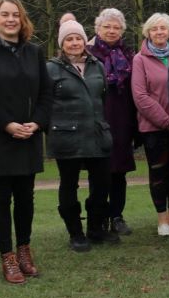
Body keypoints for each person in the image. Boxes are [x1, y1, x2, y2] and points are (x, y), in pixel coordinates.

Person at [0, 0, 52, 284]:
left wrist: (37, 123)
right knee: (1, 198)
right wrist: (7, 125)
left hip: (28, 136)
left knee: (26, 198)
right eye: (4, 15)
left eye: (15, 15)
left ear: (22, 19)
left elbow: (45, 93)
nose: (10, 20)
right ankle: (8, 257)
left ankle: (25, 251)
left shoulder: (34, 52)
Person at [46, 17, 118, 252]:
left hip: (97, 134)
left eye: (78, 38)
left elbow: (102, 98)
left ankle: (96, 228)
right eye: (69, 39)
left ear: (84, 41)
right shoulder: (51, 69)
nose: (75, 43)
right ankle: (75, 233)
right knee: (69, 185)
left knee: (102, 184)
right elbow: (44, 104)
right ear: (62, 43)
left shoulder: (97, 65)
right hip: (67, 137)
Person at [132, 13, 169, 236]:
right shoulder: (140, 59)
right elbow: (140, 96)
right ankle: (161, 219)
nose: (159, 32)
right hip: (154, 128)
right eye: (154, 29)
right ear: (148, 32)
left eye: (163, 28)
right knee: (159, 174)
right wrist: (166, 122)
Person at [87, 8, 138, 236]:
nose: (111, 30)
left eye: (116, 27)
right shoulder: (87, 54)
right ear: (97, 29)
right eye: (107, 26)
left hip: (122, 120)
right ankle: (97, 217)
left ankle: (117, 215)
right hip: (96, 121)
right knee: (98, 173)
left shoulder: (129, 55)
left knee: (119, 173)